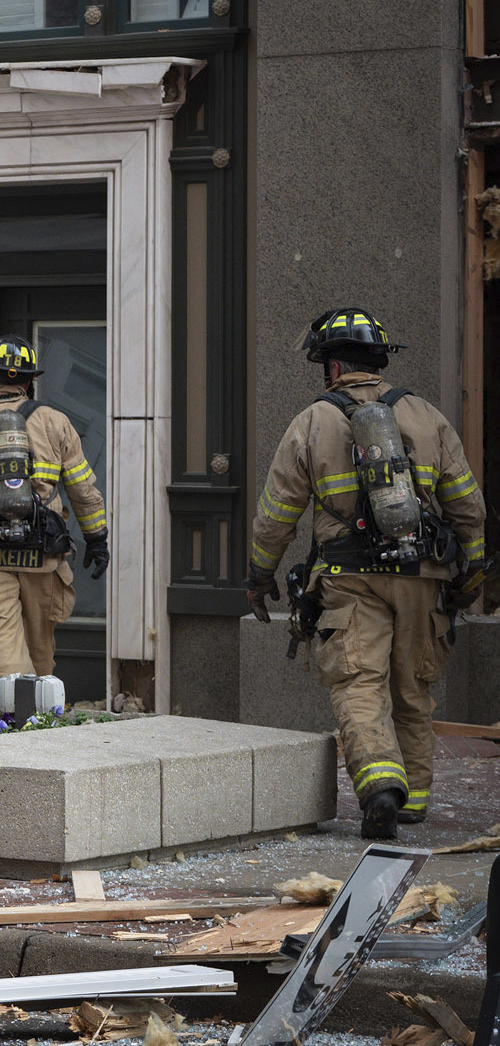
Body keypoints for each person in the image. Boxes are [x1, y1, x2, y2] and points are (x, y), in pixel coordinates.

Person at [247, 308, 488, 839]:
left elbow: (277, 514)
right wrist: (470, 576)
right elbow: (468, 507)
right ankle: (414, 798)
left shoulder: (313, 421)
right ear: (379, 360)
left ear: (333, 367)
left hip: (349, 577)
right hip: (423, 573)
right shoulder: (426, 415)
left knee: (359, 682)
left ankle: (380, 788)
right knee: (413, 685)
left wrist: (260, 576)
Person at [0, 336, 109, 691]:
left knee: (7, 657)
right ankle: (40, 720)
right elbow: (83, 491)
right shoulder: (56, 423)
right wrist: (97, 539)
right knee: (41, 657)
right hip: (43, 556)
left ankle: (15, 719)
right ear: (28, 382)